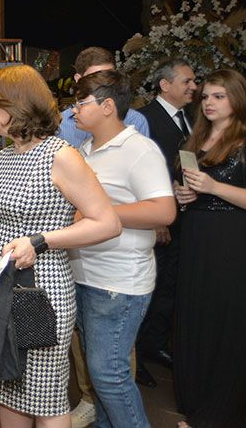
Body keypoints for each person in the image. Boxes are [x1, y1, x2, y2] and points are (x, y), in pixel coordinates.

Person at [0, 65, 120, 427]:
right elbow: (4, 228)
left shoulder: (61, 155)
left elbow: (108, 223)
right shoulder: (5, 156)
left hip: (41, 292)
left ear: (14, 107)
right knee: (6, 386)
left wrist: (43, 241)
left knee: (45, 398)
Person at [68, 70, 175, 427]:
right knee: (98, 376)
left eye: (81, 103)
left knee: (109, 376)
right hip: (85, 275)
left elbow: (164, 211)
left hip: (118, 282)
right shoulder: (84, 150)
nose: (73, 111)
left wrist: (102, 214)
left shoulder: (138, 150)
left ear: (108, 106)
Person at [56, 47, 149, 425]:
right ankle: (90, 398)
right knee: (80, 330)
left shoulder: (136, 122)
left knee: (113, 349)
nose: (108, 85)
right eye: (97, 77)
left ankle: (115, 400)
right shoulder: (63, 123)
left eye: (112, 76)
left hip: (119, 251)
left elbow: (145, 192)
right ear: (78, 81)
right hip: (75, 244)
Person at [173, 69, 246, 428]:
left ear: (237, 98)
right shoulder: (196, 137)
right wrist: (184, 194)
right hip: (195, 237)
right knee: (196, 317)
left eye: (219, 96)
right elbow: (192, 188)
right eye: (205, 97)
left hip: (230, 241)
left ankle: (217, 415)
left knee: (225, 323)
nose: (209, 103)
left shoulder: (243, 140)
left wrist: (213, 188)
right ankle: (196, 404)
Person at [135, 58, 197, 387]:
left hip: (185, 218)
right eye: (187, 81)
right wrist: (156, 219)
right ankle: (135, 355)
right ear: (165, 85)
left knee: (169, 286)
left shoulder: (190, 118)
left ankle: (155, 344)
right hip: (157, 221)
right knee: (151, 286)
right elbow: (140, 172)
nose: (193, 87)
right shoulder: (145, 119)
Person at [58, 46, 150, 148]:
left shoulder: (134, 120)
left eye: (110, 77)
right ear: (78, 79)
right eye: (95, 77)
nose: (106, 83)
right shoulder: (60, 125)